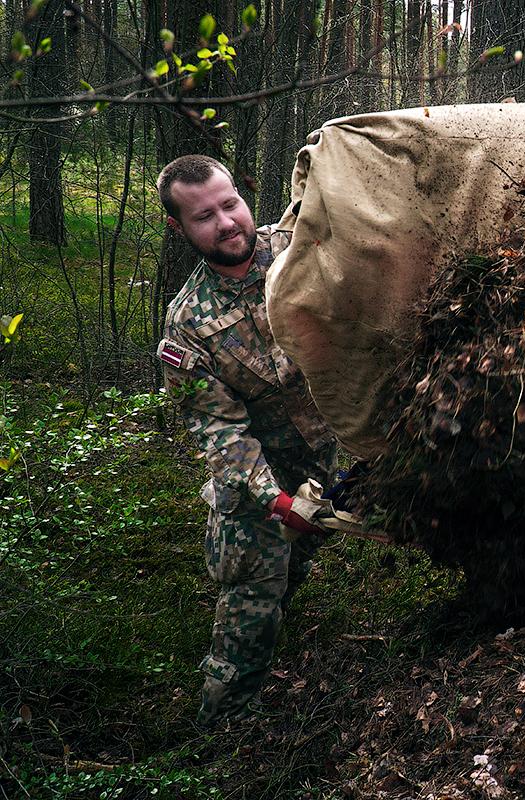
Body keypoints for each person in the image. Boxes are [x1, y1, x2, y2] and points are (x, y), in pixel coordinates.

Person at [155, 154, 337, 726]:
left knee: (295, 571)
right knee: (252, 602)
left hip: (321, 457)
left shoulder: (298, 248)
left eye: (230, 204)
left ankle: (279, 644)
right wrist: (275, 501)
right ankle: (219, 734)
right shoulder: (187, 324)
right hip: (256, 483)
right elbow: (219, 429)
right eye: (204, 216)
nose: (227, 223)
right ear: (178, 228)